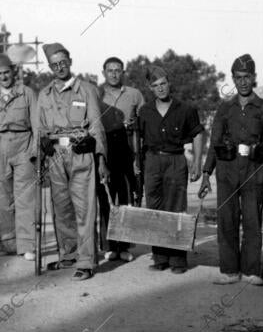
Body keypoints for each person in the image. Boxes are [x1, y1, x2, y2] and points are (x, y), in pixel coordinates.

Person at [198, 54, 263, 285]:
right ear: (233, 78)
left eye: (247, 77)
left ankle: (251, 270)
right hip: (226, 170)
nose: (242, 82)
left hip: (254, 170)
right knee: (227, 220)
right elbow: (214, 142)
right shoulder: (224, 108)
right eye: (238, 77)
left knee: (252, 220)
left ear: (254, 78)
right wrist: (206, 174)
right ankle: (230, 270)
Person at [36, 42, 108, 281]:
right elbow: (40, 127)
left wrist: (100, 158)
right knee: (61, 208)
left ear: (70, 62)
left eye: (63, 62)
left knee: (85, 209)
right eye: (54, 64)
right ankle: (68, 254)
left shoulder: (86, 89)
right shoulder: (44, 94)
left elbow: (97, 125)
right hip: (56, 154)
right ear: (50, 67)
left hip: (80, 153)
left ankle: (86, 261)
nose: (59, 67)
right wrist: (42, 144)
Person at [138, 65, 204, 274]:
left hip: (176, 160)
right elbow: (138, 139)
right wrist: (137, 163)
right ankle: (160, 258)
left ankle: (177, 260)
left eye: (163, 83)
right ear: (150, 88)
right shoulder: (145, 111)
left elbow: (198, 134)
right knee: (155, 208)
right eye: (155, 85)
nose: (160, 88)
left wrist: (197, 162)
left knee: (176, 208)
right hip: (152, 160)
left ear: (169, 83)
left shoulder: (185, 109)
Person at [0, 53, 38, 261]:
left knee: (24, 199)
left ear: (14, 71)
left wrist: (35, 151)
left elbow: (37, 124)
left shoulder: (27, 93)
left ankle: (27, 245)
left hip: (23, 146)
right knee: (1, 201)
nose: (3, 77)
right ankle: (6, 244)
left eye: (6, 72)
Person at [96, 56, 145, 262]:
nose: (114, 74)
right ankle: (109, 246)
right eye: (110, 70)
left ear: (123, 72)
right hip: (104, 146)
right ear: (104, 72)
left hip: (127, 146)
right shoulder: (96, 93)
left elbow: (145, 120)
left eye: (118, 70)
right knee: (105, 197)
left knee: (125, 197)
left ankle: (124, 246)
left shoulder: (134, 94)